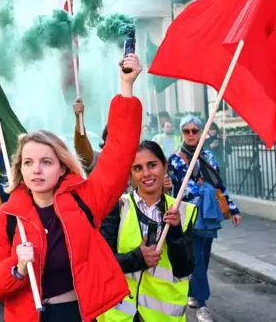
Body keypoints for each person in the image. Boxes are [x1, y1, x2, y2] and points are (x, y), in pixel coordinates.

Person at [0, 54, 143, 322]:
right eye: (28, 162)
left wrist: (126, 87)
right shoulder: (8, 217)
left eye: (46, 162)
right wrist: (16, 268)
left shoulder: (85, 201)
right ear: (20, 169)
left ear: (63, 167)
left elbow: (119, 154)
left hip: (72, 315)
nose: (36, 169)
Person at [99, 140, 197, 322]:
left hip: (164, 315)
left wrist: (175, 232)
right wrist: (136, 258)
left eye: (152, 165)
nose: (146, 173)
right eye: (137, 168)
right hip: (121, 315)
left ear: (165, 166)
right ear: (130, 175)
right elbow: (101, 263)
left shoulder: (183, 211)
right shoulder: (117, 207)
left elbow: (185, 268)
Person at [168, 116, 242, 322]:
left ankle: (193, 291)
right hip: (187, 216)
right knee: (198, 258)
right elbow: (166, 187)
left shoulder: (208, 156)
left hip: (209, 214)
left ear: (201, 132)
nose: (191, 134)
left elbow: (220, 184)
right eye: (187, 131)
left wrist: (234, 209)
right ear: (181, 133)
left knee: (204, 257)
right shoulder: (174, 159)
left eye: (195, 130)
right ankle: (202, 304)